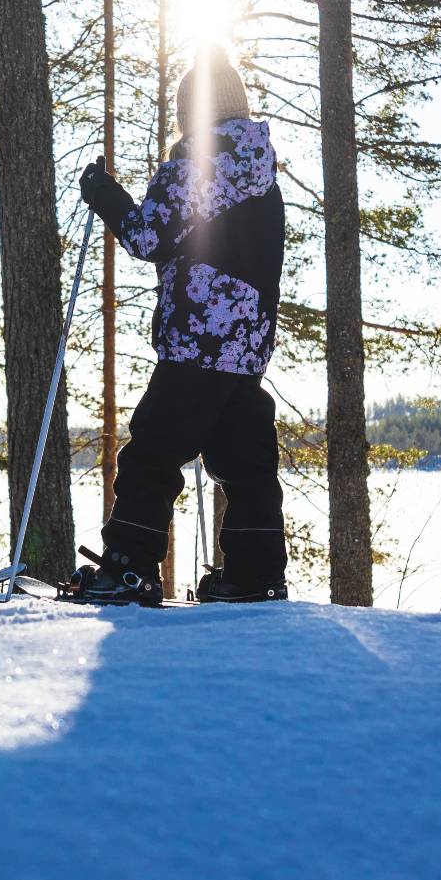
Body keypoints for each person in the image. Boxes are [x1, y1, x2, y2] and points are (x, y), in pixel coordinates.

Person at [71, 47, 289, 605]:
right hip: (246, 344)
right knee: (245, 461)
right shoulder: (262, 175)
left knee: (154, 451)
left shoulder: (198, 162)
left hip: (198, 335)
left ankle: (129, 566)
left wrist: (103, 195)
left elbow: (149, 237)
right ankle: (254, 573)